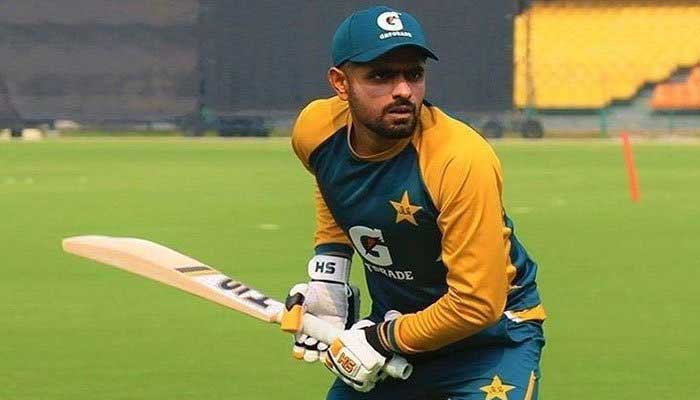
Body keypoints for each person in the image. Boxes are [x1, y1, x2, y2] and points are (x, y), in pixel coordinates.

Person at [286, 6, 546, 399]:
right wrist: (330, 276)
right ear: (340, 83)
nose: (404, 90)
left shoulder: (460, 159)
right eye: (381, 75)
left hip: (491, 340)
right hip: (398, 323)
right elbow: (333, 186)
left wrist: (380, 339)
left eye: (414, 73)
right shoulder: (316, 131)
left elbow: (477, 305)